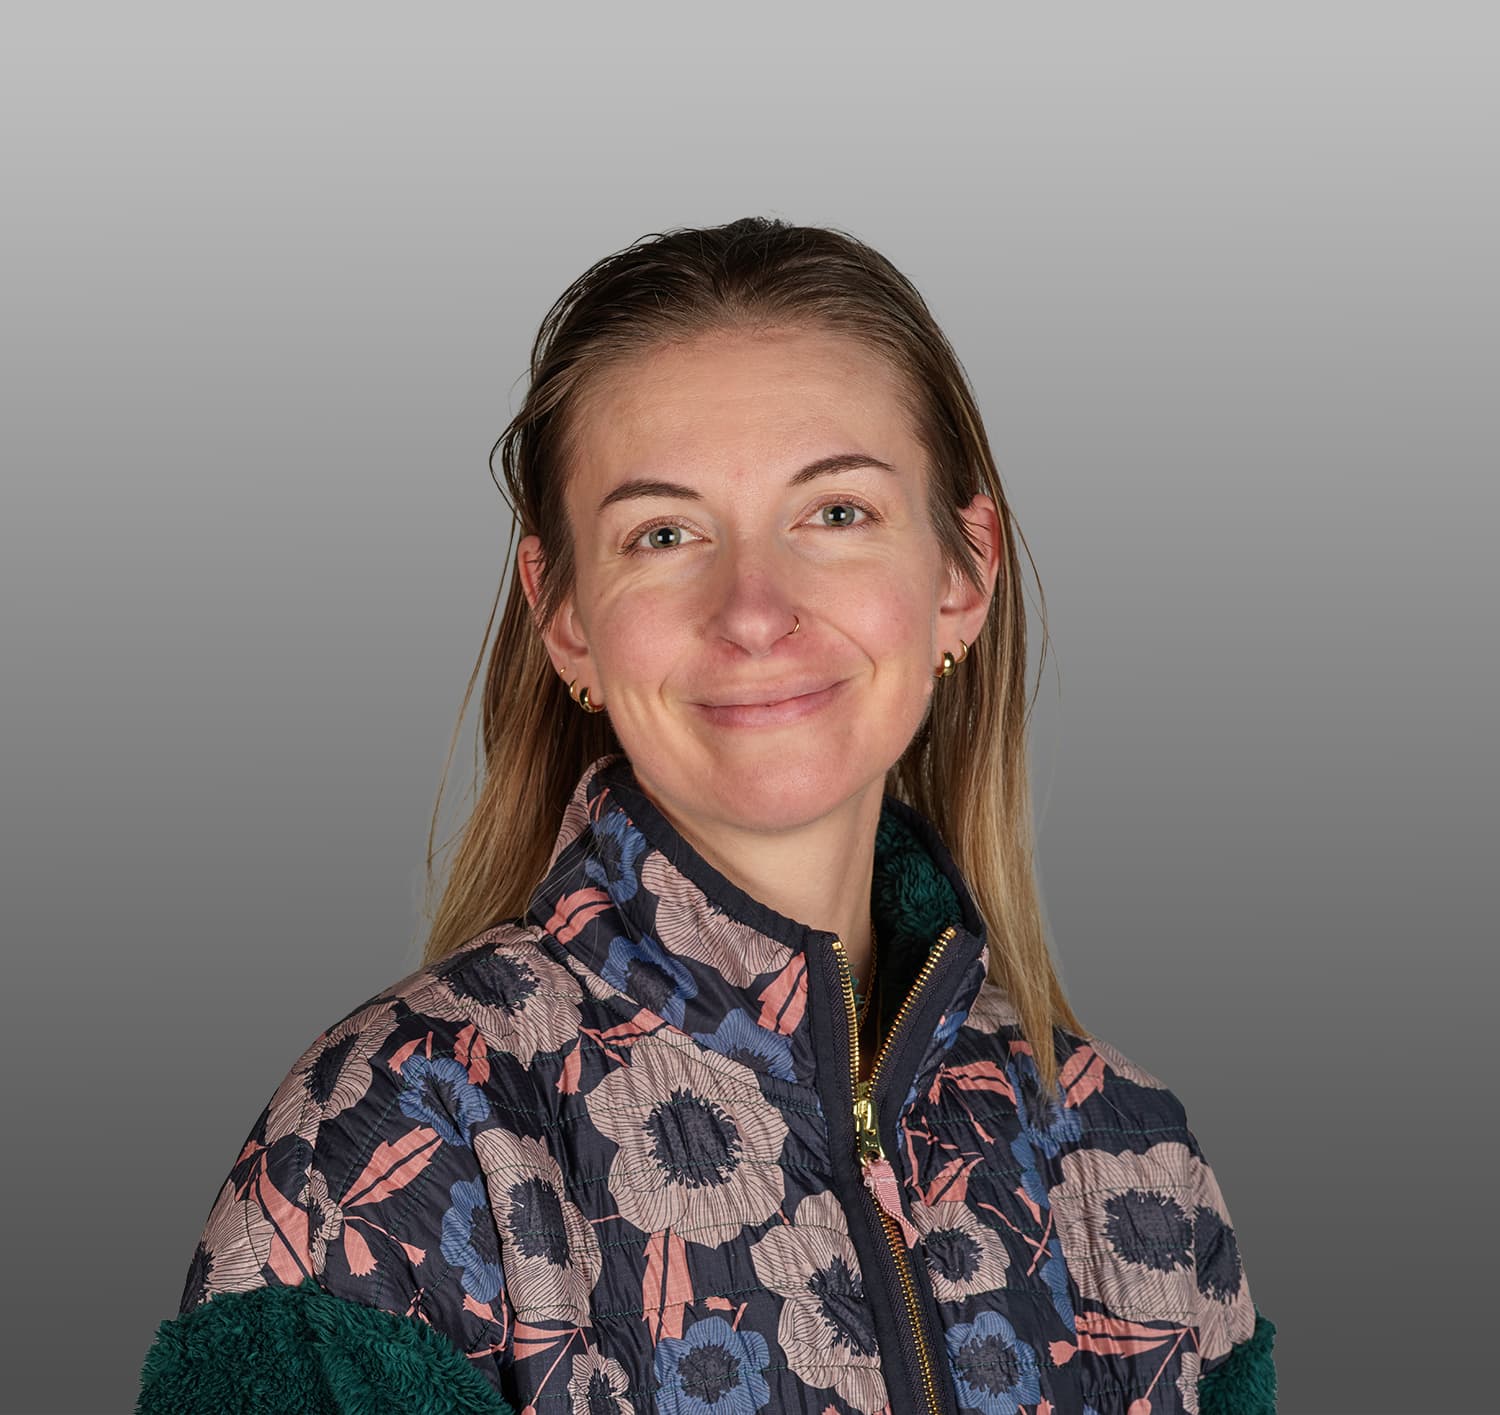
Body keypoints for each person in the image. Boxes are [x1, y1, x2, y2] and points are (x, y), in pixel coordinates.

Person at [136, 217, 1276, 1414]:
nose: (753, 609)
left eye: (835, 513)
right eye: (665, 534)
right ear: (564, 614)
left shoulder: (1128, 1156)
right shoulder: (399, 1141)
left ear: (961, 572)